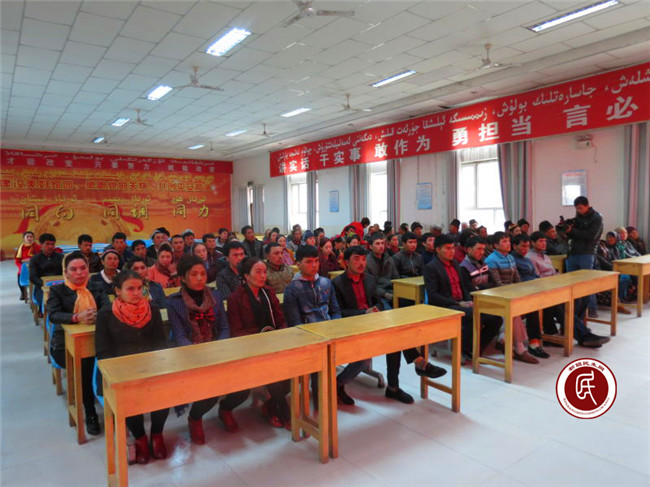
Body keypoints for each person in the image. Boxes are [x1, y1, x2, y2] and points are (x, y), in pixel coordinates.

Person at [336, 246, 446, 405]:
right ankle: (418, 364)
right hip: (352, 327)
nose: (361, 263)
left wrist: (376, 309)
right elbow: (338, 313)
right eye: (356, 259)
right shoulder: (337, 283)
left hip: (372, 322)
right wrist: (363, 313)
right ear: (346, 262)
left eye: (364, 259)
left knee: (396, 336)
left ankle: (395, 386)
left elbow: (379, 302)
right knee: (394, 338)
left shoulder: (369, 279)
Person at [168, 255, 248, 440]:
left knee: (244, 386)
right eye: (193, 274)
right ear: (183, 277)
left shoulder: (216, 296)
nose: (199, 278)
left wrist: (219, 348)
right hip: (191, 354)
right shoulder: (174, 302)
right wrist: (200, 354)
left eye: (203, 274)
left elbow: (224, 327)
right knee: (210, 392)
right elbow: (180, 336)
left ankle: (225, 409)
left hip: (218, 350)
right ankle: (195, 418)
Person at [95, 270, 169, 463]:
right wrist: (121, 372)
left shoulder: (151, 309)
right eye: (130, 289)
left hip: (150, 364)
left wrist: (157, 365)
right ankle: (140, 437)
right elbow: (103, 351)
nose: (136, 293)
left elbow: (160, 343)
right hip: (122, 368)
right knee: (130, 397)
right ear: (118, 291)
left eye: (139, 288)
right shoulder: (106, 314)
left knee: (164, 390)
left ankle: (157, 434)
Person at [48, 251, 110, 436]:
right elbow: (53, 315)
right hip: (64, 345)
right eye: (73, 269)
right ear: (66, 272)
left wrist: (97, 315)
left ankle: (113, 402)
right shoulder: (57, 290)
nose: (79, 273)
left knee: (112, 358)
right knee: (86, 365)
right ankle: (90, 412)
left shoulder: (96, 286)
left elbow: (107, 307)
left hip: (97, 339)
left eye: (83, 268)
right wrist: (77, 317)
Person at [226, 257, 290, 427]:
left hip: (274, 343)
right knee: (273, 371)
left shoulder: (268, 292)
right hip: (250, 348)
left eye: (264, 272)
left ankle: (270, 405)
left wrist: (279, 335)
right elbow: (237, 331)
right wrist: (262, 339)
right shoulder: (235, 298)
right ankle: (284, 412)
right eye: (258, 272)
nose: (263, 276)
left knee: (294, 371)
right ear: (246, 275)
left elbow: (281, 320)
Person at [424, 235, 501, 361]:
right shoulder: (431, 268)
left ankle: (476, 348)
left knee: (496, 318)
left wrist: (468, 300)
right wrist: (458, 304)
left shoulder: (455, 263)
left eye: (453, 248)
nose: (452, 251)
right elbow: (433, 295)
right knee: (473, 314)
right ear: (437, 249)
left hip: (461, 302)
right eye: (448, 248)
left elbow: (463, 286)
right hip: (445, 305)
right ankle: (463, 349)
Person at [530, 231, 616, 342]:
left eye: (545, 241)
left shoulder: (546, 257)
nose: (544, 244)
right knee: (562, 304)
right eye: (540, 241)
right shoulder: (531, 258)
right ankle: (583, 335)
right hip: (544, 290)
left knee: (583, 297)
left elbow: (553, 273)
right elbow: (537, 279)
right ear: (533, 243)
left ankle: (571, 328)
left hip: (555, 286)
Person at [283, 245, 341, 408]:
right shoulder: (292, 289)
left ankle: (336, 388)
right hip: (308, 336)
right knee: (319, 361)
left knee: (359, 356)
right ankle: (319, 397)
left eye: (316, 261)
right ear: (298, 264)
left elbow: (335, 310)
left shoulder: (326, 282)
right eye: (309, 262)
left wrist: (336, 327)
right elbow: (295, 322)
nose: (314, 265)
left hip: (330, 330)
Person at [484, 232, 539, 363]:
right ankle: (519, 347)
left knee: (530, 305)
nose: (508, 244)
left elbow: (517, 279)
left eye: (508, 241)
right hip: (498, 296)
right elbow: (497, 283)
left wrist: (519, 292)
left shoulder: (510, 258)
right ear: (495, 245)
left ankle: (504, 338)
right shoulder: (491, 260)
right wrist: (513, 294)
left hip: (511, 294)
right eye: (504, 242)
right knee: (513, 311)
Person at [564, 196, 604, 325]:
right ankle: (574, 310)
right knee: (572, 282)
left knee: (587, 282)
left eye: (580, 208)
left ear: (587, 205)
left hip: (587, 252)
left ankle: (591, 309)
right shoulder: (579, 216)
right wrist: (568, 229)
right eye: (576, 208)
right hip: (573, 251)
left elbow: (590, 236)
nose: (578, 210)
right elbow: (573, 235)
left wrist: (573, 230)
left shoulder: (597, 218)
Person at [510, 234, 550, 358]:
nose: (525, 249)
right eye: (523, 246)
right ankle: (534, 343)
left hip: (533, 288)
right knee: (533, 307)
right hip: (521, 292)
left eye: (527, 246)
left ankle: (553, 334)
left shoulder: (526, 260)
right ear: (514, 246)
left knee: (555, 302)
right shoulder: (512, 260)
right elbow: (518, 279)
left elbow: (535, 275)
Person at [29, 233, 64, 309]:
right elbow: (33, 277)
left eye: (52, 244)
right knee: (48, 300)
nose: (50, 246)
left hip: (59, 286)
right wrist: (46, 285)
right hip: (41, 287)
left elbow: (66, 273)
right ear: (41, 245)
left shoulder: (61, 257)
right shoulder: (34, 259)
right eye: (47, 244)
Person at [15, 231, 39, 301]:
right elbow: (17, 261)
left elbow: (39, 258)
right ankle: (23, 293)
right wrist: (21, 268)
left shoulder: (37, 247)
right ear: (24, 238)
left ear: (33, 238)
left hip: (36, 267)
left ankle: (36, 293)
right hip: (24, 268)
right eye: (27, 237)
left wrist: (29, 260)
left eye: (31, 237)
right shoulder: (20, 249)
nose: (29, 238)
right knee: (19, 276)